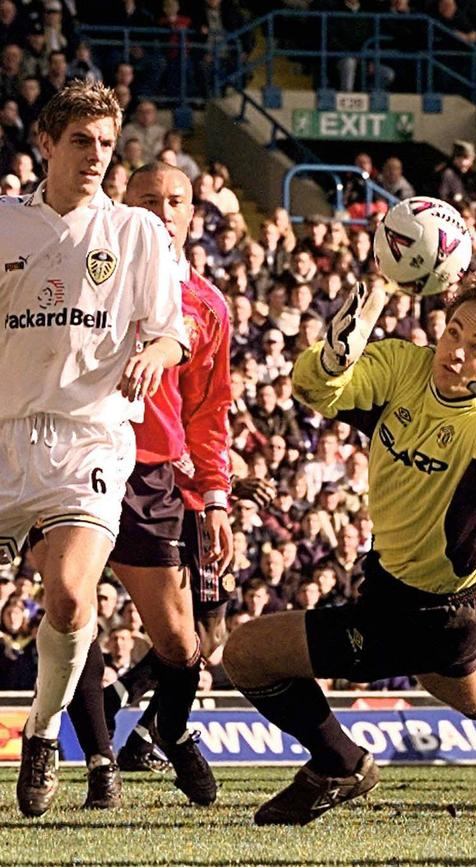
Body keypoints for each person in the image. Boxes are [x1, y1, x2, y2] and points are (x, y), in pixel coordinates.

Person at [223, 274, 476, 825]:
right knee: (472, 691)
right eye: (453, 332)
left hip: (429, 611)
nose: (456, 352)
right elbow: (318, 392)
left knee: (247, 653)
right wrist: (334, 356)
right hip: (405, 585)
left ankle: (338, 763)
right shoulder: (403, 367)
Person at [0, 82, 188, 818]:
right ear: (45, 144)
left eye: (106, 144)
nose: (95, 156)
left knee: (74, 595)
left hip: (89, 438)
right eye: (80, 140)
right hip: (7, 432)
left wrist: (157, 355)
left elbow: (173, 329)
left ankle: (43, 732)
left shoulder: (137, 233)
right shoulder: (6, 225)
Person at [66, 161, 234, 808]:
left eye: (175, 200)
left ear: (192, 213)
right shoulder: (91, 270)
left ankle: (168, 722)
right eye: (147, 198)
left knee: (179, 641)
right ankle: (101, 759)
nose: (163, 210)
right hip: (77, 457)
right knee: (70, 608)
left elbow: (208, 411)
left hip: (153, 477)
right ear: (121, 203)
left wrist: (214, 495)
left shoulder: (208, 306)